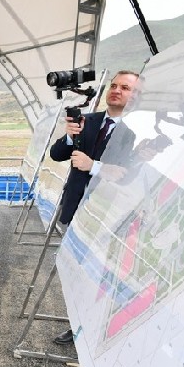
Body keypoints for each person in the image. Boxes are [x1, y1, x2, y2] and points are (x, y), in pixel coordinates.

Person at [48, 70, 139, 345]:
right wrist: (69, 137)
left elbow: (129, 174)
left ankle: (95, 330)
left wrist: (93, 166)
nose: (117, 90)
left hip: (108, 215)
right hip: (75, 210)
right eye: (114, 85)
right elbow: (57, 154)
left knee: (98, 276)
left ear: (136, 96)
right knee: (75, 272)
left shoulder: (135, 133)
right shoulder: (88, 120)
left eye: (125, 88)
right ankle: (76, 324)